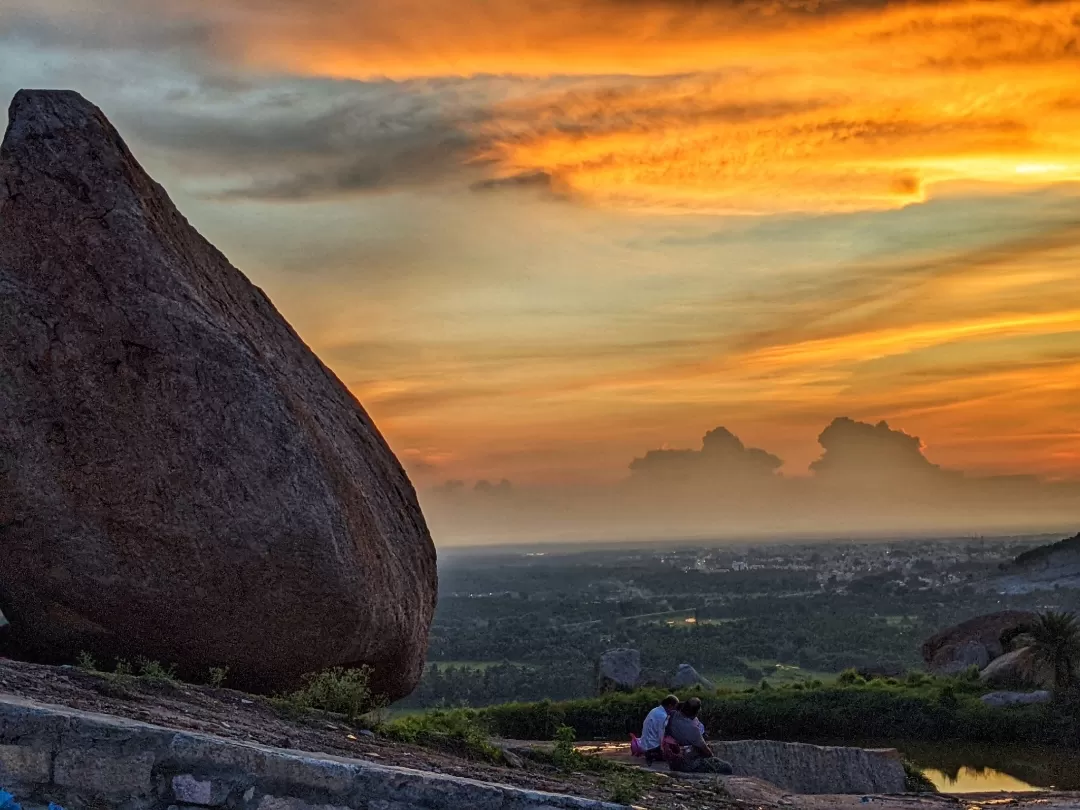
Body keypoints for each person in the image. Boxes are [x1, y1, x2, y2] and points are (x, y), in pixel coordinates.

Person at [664, 698, 733, 774]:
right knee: (727, 767)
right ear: (696, 712)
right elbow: (707, 752)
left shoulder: (673, 715)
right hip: (685, 764)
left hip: (672, 761)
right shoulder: (693, 729)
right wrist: (713, 758)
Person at [635, 694, 679, 764]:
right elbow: (661, 734)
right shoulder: (663, 716)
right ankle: (655, 755)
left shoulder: (655, 710)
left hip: (645, 745)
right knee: (675, 754)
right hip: (652, 747)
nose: (675, 710)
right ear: (670, 706)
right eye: (675, 707)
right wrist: (663, 750)